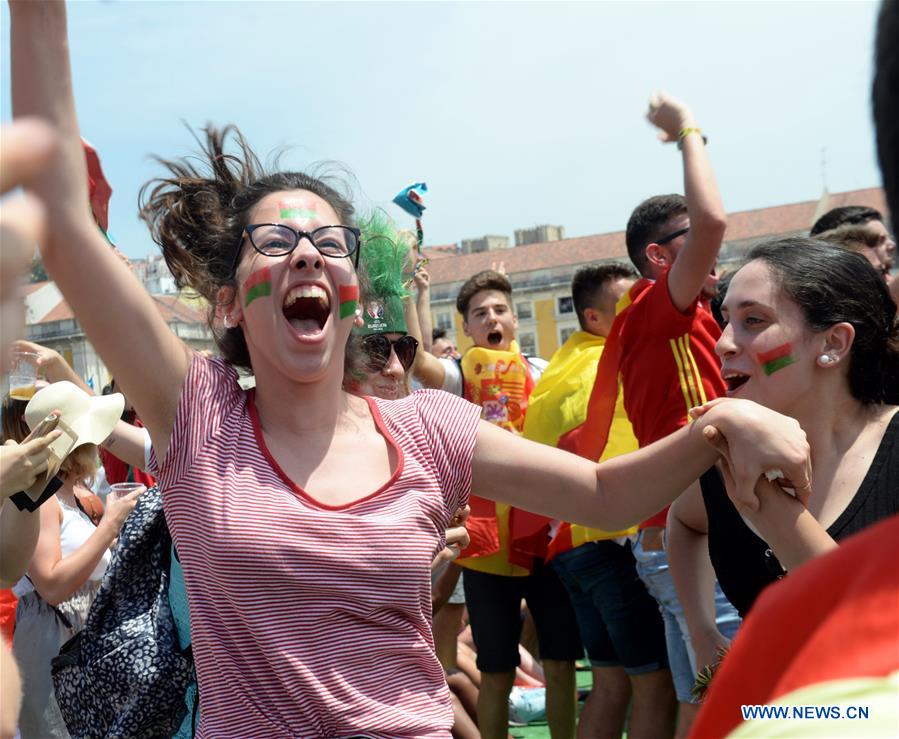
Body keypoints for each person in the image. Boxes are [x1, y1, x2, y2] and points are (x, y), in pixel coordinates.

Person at [12, 4, 813, 734]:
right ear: (228, 305)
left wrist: (720, 422)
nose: (305, 254)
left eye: (330, 243)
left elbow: (606, 491)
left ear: (355, 295)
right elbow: (58, 208)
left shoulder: (430, 427)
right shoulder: (199, 415)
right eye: (274, 243)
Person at [570, 92, 740, 737]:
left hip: (668, 536)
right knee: (738, 694)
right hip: (694, 532)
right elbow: (716, 219)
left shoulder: (673, 318)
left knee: (702, 694)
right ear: (660, 258)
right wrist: (687, 131)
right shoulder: (661, 308)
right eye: (688, 240)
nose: (712, 250)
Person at [667, 237, 899, 675]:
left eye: (753, 320)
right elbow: (681, 521)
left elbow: (868, 623)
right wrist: (701, 632)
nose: (723, 344)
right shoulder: (723, 455)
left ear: (833, 342)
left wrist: (761, 497)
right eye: (724, 321)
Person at [415, 268, 582, 738]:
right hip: (487, 548)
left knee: (562, 660)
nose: (492, 318)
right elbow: (418, 361)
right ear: (466, 326)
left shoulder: (542, 371)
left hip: (544, 538)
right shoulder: (459, 373)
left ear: (513, 320)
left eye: (500, 310)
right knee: (495, 670)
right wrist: (421, 294)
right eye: (480, 312)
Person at [523, 263, 677, 738]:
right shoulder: (598, 367)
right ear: (593, 317)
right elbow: (617, 458)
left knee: (612, 684)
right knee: (656, 685)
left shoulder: (565, 365)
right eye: (627, 303)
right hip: (609, 543)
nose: (639, 308)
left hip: (572, 549)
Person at [2, 394, 139, 738]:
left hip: (75, 642)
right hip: (55, 645)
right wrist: (110, 525)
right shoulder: (43, 498)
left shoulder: (70, 493)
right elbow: (49, 583)